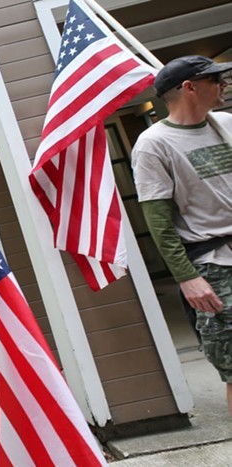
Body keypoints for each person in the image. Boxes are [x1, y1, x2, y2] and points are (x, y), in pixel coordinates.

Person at [131, 55, 232, 415]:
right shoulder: (153, 144)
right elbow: (157, 220)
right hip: (215, 266)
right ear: (189, 88)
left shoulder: (225, 123)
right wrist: (188, 278)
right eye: (215, 79)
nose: (223, 84)